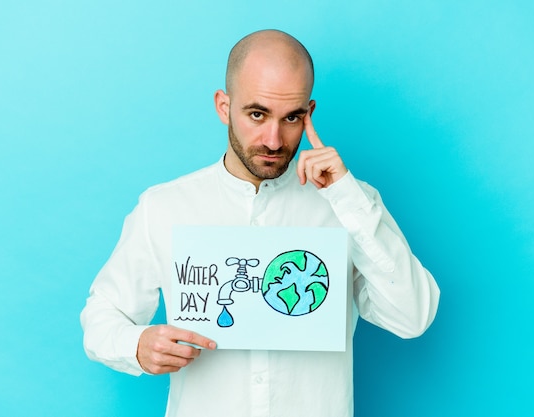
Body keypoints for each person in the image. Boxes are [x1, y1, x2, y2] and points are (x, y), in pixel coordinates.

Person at [81, 29, 440, 417]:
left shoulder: (353, 204)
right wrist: (136, 344)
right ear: (223, 106)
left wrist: (348, 200)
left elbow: (413, 317)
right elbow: (101, 318)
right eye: (257, 114)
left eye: (292, 118)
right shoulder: (164, 207)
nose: (273, 139)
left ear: (309, 113)